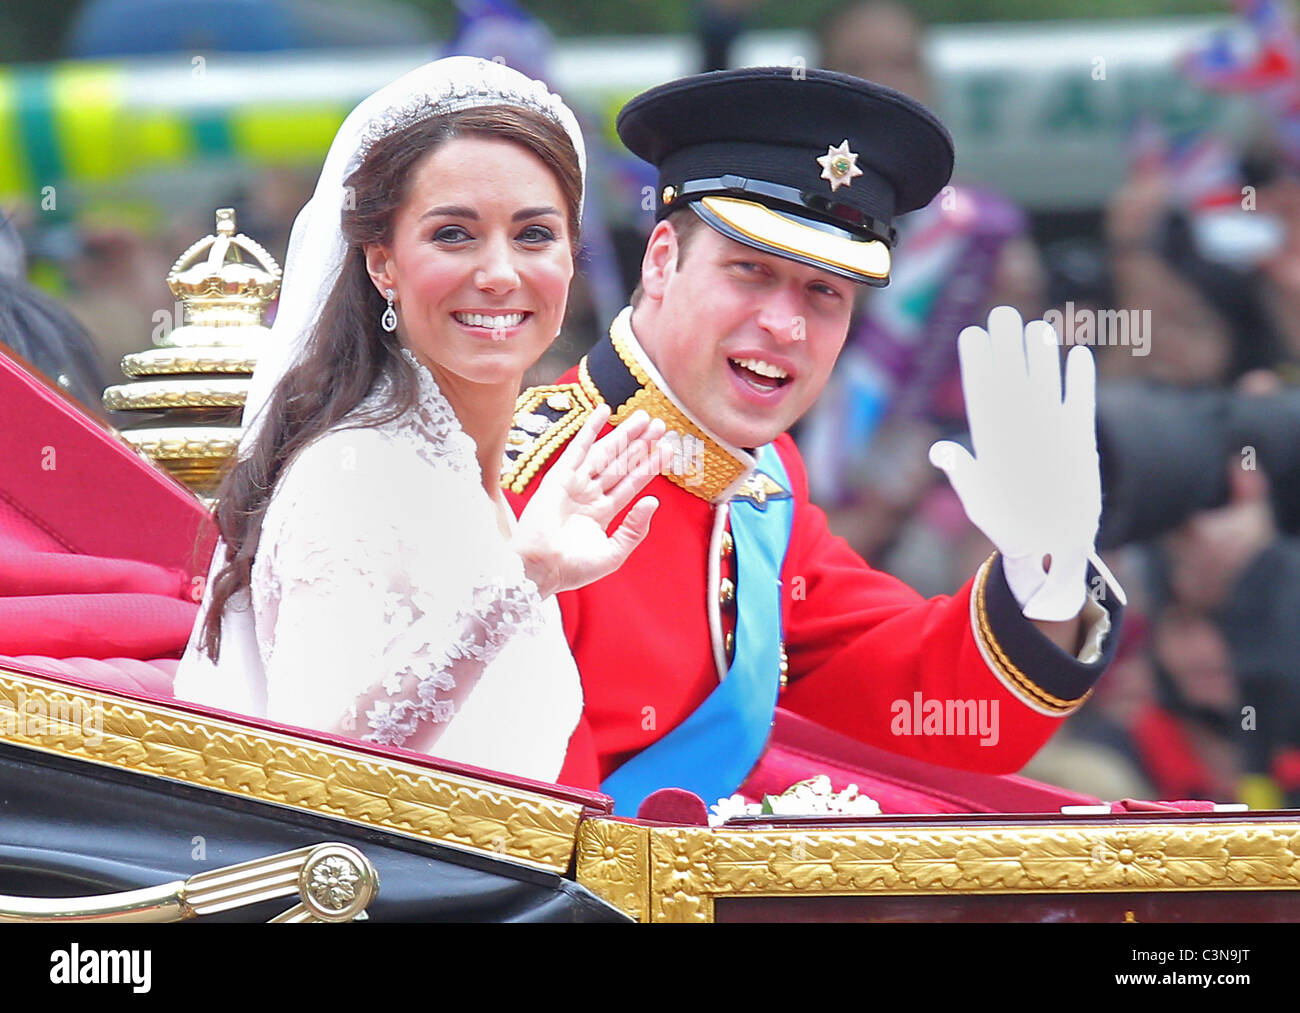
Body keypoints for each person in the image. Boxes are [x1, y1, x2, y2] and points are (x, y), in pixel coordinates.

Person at [504, 67, 1127, 815]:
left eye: (824, 292)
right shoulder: (526, 478)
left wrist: (1046, 576)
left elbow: (921, 701)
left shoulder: (765, 482)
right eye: (751, 271)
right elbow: (517, 823)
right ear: (662, 260)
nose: (786, 325)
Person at [174, 57, 668, 784]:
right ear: (382, 263)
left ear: (570, 257)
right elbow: (325, 776)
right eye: (454, 235)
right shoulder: (357, 471)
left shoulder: (469, 473)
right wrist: (520, 578)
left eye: (534, 235)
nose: (500, 272)